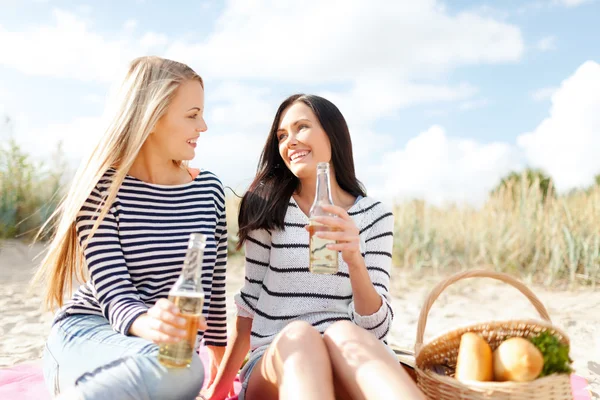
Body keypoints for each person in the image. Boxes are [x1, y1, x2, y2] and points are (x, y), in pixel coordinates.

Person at [202, 94, 425, 400]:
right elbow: (249, 304)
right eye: (282, 135)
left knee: (342, 331)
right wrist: (219, 388)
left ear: (332, 134)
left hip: (348, 358)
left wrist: (354, 259)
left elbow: (376, 330)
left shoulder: (374, 216)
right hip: (277, 361)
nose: (289, 141)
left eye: (301, 127)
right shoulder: (266, 207)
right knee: (302, 334)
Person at [32, 56, 228, 400]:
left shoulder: (209, 189)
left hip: (158, 356)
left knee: (181, 368)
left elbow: (213, 286)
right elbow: (115, 292)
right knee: (180, 368)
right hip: (89, 336)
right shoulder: (102, 191)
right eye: (192, 115)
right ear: (152, 117)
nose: (204, 126)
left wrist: (219, 362)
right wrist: (149, 323)